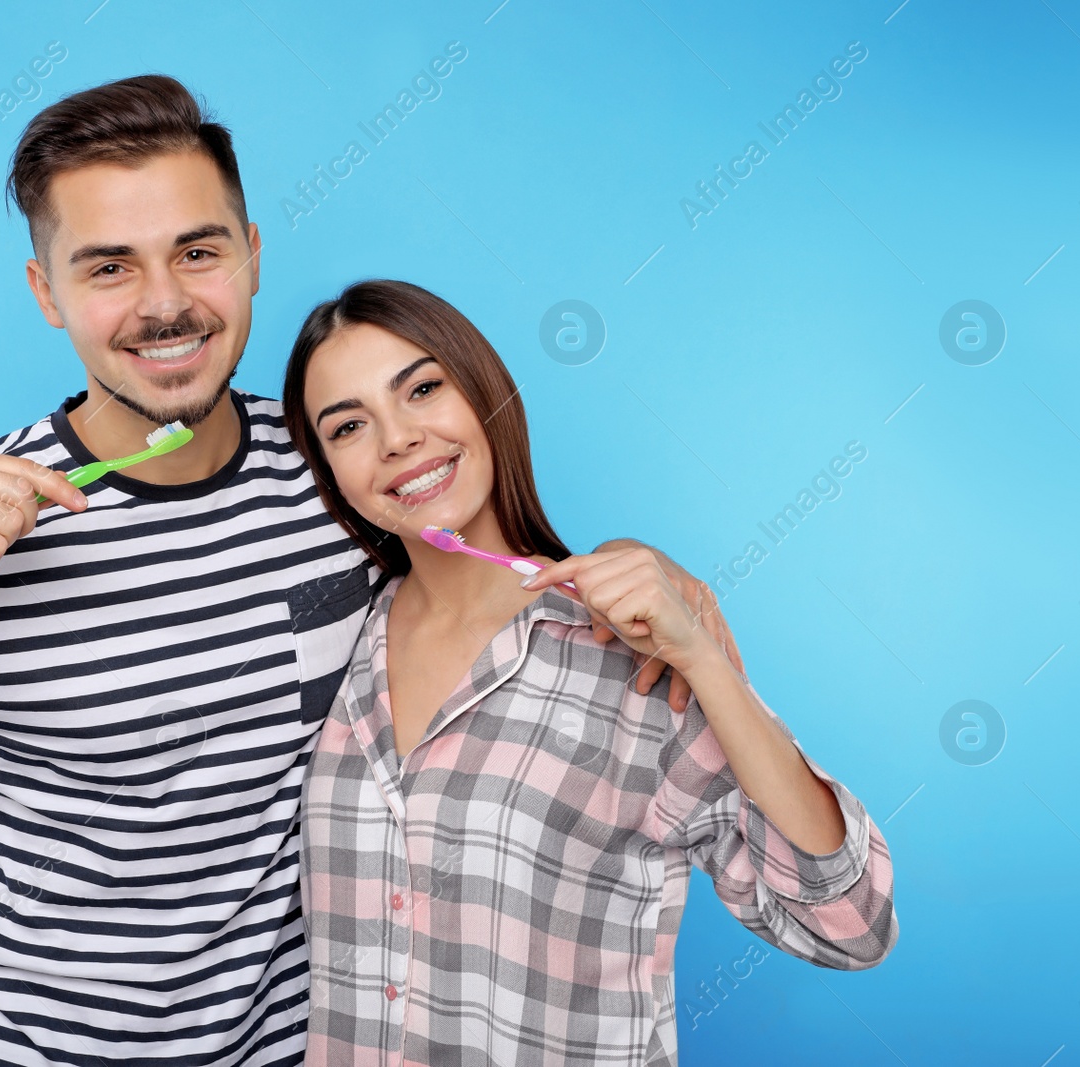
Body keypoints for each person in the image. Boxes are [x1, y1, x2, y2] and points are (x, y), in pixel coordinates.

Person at [0, 76, 735, 1066]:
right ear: (47, 293)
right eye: (108, 266)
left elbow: (487, 574)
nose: (165, 305)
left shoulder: (340, 464)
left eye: (196, 251)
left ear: (250, 257)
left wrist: (649, 592)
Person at [282, 280, 899, 1066]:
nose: (397, 439)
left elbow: (852, 924)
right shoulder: (335, 641)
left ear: (485, 394)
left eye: (424, 388)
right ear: (328, 469)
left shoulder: (631, 664)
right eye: (348, 426)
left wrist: (705, 663)